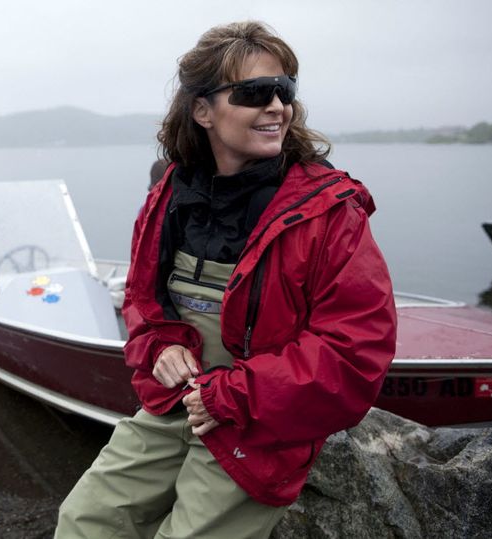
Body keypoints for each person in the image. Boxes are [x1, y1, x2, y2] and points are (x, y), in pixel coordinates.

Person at [55, 21, 396, 539]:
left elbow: (356, 353)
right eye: (255, 93)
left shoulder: (329, 212)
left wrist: (232, 395)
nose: (276, 107)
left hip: (260, 420)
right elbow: (144, 300)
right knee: (85, 522)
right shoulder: (170, 194)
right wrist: (158, 342)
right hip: (176, 402)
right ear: (202, 110)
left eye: (285, 93)